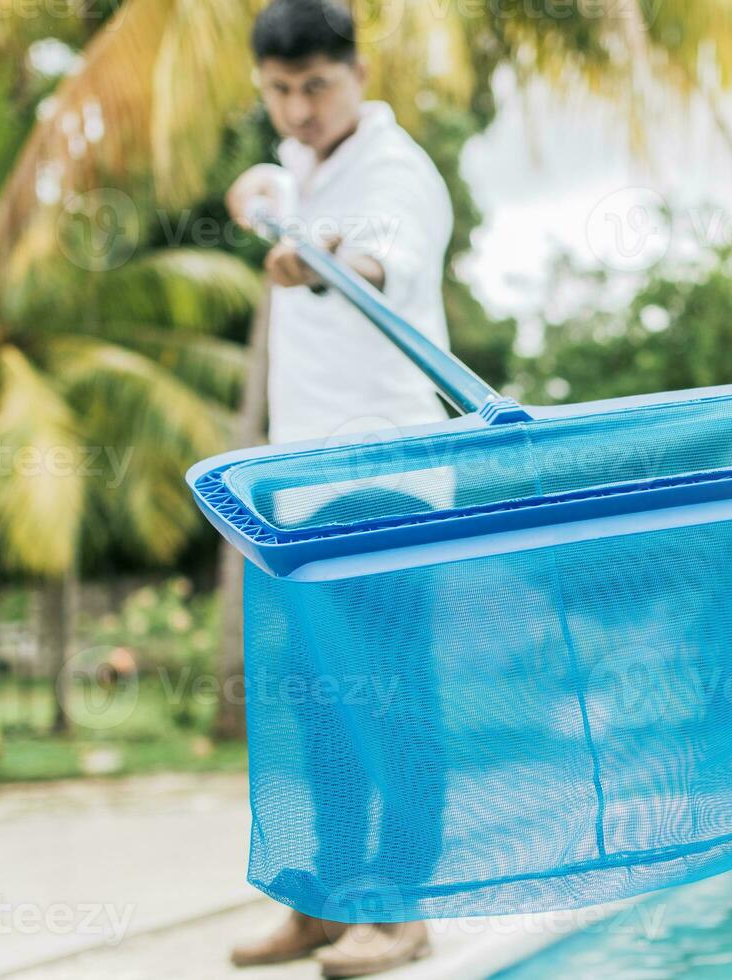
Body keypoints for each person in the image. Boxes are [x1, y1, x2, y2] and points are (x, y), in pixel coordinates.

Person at [223, 0, 453, 975]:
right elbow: (266, 180)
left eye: (316, 85)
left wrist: (320, 261)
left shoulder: (397, 173)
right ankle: (321, 899)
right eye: (280, 90)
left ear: (357, 71)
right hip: (302, 482)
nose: (299, 106)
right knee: (317, 700)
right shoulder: (300, 168)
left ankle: (399, 907)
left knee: (392, 695)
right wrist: (261, 195)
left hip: (388, 476)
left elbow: (382, 255)